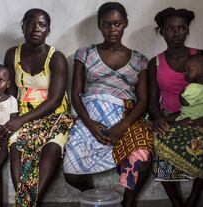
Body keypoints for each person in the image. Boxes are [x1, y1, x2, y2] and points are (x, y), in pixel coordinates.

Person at [62, 2, 153, 207]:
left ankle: (127, 202)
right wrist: (91, 125)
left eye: (117, 24)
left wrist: (122, 126)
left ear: (125, 24)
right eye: (107, 24)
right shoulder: (84, 54)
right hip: (90, 116)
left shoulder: (139, 60)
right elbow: (75, 95)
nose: (112, 29)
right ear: (99, 25)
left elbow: (144, 100)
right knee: (70, 172)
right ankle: (96, 197)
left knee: (143, 159)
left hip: (126, 116)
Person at [148, 7, 203, 207]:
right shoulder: (155, 63)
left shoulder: (201, 56)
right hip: (171, 115)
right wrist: (158, 119)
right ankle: (176, 203)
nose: (176, 33)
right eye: (170, 28)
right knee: (157, 141)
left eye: (182, 28)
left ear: (188, 30)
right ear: (162, 31)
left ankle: (193, 199)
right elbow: (152, 102)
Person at [2, 8, 73, 207]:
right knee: (16, 145)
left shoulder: (56, 58)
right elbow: (10, 93)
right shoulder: (12, 55)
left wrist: (20, 121)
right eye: (31, 23)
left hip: (54, 115)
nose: (36, 28)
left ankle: (27, 204)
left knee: (52, 147)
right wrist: (8, 118)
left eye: (42, 25)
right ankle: (27, 203)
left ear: (48, 30)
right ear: (23, 26)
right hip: (22, 114)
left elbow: (55, 101)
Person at [167, 54, 203, 125]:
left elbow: (185, 102)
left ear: (202, 68)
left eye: (189, 70)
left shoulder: (193, 87)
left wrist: (180, 95)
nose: (185, 74)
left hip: (191, 117)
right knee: (175, 114)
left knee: (178, 120)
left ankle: (172, 124)